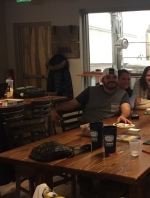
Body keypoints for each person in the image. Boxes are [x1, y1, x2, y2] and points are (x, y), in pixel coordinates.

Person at [50, 67, 131, 197]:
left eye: (114, 77)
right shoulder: (91, 91)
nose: (111, 80)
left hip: (107, 130)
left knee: (117, 149)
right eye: (108, 77)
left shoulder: (122, 93)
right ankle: (85, 184)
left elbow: (126, 108)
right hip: (87, 130)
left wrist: (123, 115)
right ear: (102, 79)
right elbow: (73, 103)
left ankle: (108, 178)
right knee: (84, 153)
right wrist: (56, 110)